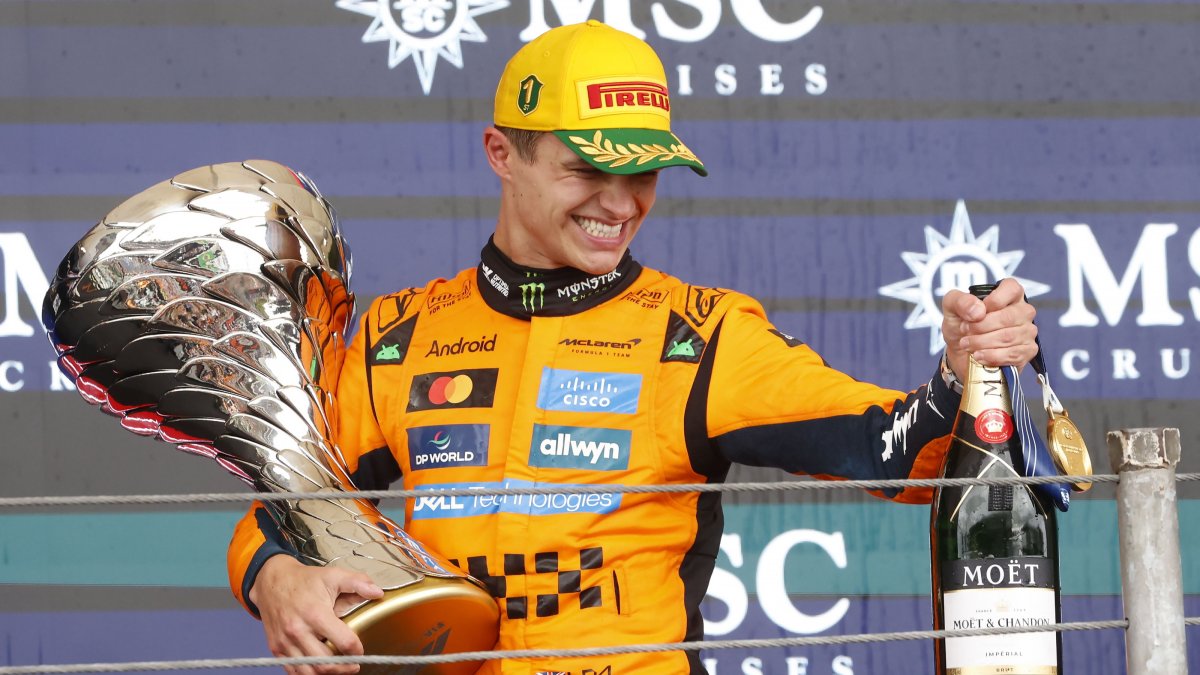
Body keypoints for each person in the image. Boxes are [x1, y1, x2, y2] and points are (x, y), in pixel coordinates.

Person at [226, 20, 1039, 675]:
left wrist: (962, 373)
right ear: (502, 154)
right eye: (588, 170)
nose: (620, 203)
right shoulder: (400, 336)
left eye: (646, 171)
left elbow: (897, 454)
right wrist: (275, 577)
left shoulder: (701, 333)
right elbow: (289, 510)